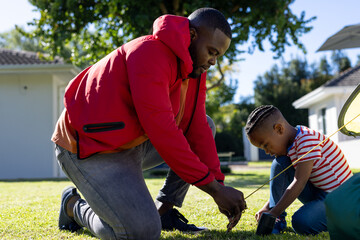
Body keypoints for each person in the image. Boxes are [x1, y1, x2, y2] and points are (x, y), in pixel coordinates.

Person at [52, 7, 246, 240]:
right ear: (192, 35)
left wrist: (219, 184)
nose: (213, 61)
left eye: (218, 56)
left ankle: (164, 211)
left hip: (132, 143)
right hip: (88, 148)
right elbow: (164, 134)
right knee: (140, 233)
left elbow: (196, 127)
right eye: (211, 51)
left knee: (207, 123)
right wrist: (214, 190)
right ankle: (73, 207)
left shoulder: (195, 70)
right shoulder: (148, 53)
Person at [245, 105, 353, 235]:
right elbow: (285, 183)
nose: (267, 152)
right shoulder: (292, 144)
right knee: (280, 163)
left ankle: (342, 221)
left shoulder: (306, 139)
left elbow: (299, 182)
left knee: (301, 222)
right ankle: (277, 221)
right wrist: (268, 207)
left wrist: (272, 214)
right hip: (318, 191)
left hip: (339, 200)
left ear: (279, 129)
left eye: (266, 145)